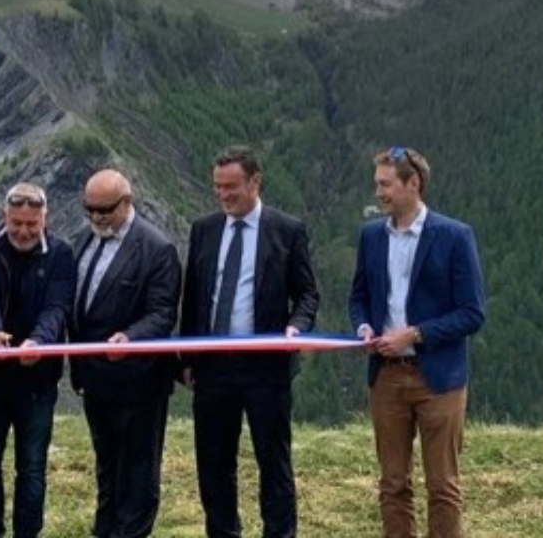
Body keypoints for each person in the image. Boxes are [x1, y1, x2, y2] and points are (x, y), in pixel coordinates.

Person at [178, 146, 320, 538]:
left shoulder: (287, 230)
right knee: (213, 464)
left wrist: (296, 328)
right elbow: (193, 296)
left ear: (255, 182)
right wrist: (185, 357)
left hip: (266, 368)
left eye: (232, 187)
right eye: (218, 187)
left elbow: (307, 294)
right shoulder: (204, 229)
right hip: (212, 368)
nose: (224, 196)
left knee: (272, 463)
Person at [348, 147, 486, 538]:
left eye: (386, 184)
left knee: (442, 485)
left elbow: (472, 313)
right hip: (387, 378)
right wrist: (363, 328)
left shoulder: (455, 236)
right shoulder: (371, 236)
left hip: (439, 379)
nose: (379, 193)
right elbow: (358, 297)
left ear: (414, 184)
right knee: (393, 484)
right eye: (377, 184)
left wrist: (416, 334)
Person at [69, 168, 180, 538]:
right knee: (107, 467)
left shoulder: (156, 248)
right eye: (90, 210)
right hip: (96, 381)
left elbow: (163, 312)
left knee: (137, 474)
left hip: (138, 382)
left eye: (105, 210)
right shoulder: (86, 240)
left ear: (128, 202)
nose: (97, 217)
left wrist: (131, 337)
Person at [0, 183, 76, 538]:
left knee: (31, 468)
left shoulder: (61, 253)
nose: (24, 231)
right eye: (17, 223)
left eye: (32, 224)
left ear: (45, 219)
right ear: (6, 216)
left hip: (38, 380)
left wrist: (39, 341)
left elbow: (57, 306)